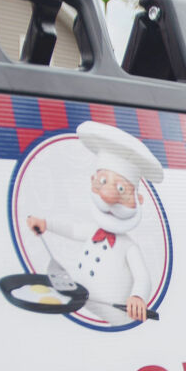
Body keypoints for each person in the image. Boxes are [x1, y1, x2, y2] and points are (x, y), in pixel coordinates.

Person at [24, 121, 166, 324]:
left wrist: (137, 297)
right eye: (102, 182)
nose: (108, 195)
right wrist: (46, 224)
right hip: (79, 302)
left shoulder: (128, 247)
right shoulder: (93, 231)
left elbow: (143, 277)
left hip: (115, 315)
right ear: (92, 181)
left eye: (120, 190)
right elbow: (72, 230)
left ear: (138, 201)